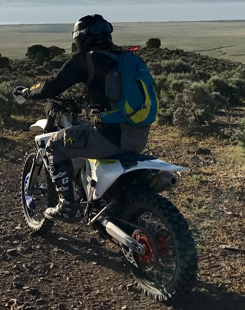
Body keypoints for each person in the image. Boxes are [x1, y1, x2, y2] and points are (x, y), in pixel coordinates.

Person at [13, 14, 152, 222]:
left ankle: (67, 207)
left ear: (80, 38)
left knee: (54, 146)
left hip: (108, 138)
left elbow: (51, 86)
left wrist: (26, 92)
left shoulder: (85, 60)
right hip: (138, 135)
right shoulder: (125, 59)